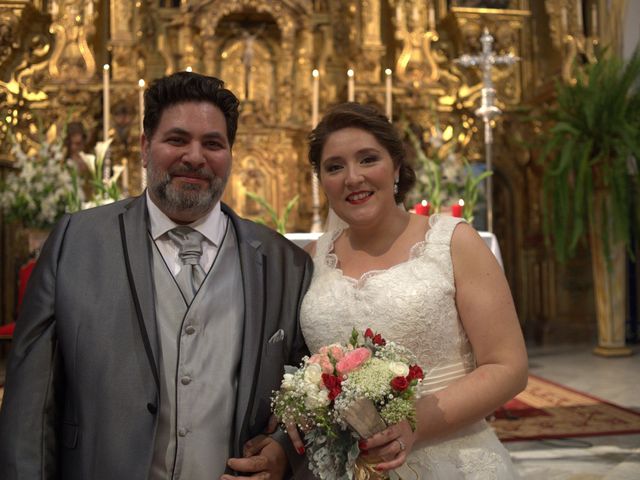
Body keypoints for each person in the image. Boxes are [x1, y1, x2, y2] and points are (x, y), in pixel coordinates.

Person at [0, 72, 313, 480]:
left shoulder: (283, 261)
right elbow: (30, 408)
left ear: (231, 154)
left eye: (213, 144)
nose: (195, 157)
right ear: (146, 147)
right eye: (177, 139)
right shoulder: (76, 243)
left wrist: (285, 452)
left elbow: (307, 391)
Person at [290, 102, 528, 478]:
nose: (352, 178)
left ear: (397, 167)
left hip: (453, 459)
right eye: (334, 167)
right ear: (321, 180)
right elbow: (298, 365)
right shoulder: (311, 258)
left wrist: (413, 424)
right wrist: (299, 406)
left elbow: (508, 367)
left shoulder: (453, 242)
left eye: (368, 159)